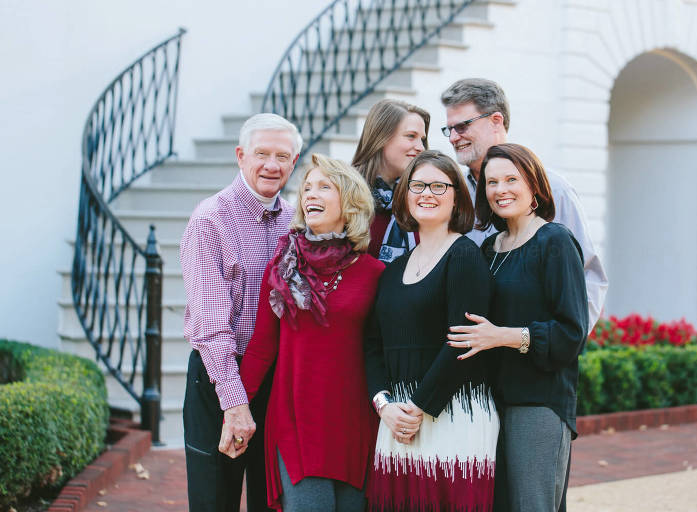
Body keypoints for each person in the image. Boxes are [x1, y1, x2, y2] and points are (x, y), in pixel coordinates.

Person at [238, 154, 385, 512]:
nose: (310, 195)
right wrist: (235, 407)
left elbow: (379, 351)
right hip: (296, 421)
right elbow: (261, 347)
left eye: (324, 187)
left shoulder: (375, 272)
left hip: (355, 425)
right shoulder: (283, 267)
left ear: (349, 201)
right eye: (306, 188)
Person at [446, 143, 588, 512]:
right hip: (491, 401)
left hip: (538, 401)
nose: (500, 189)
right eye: (492, 182)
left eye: (512, 179)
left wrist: (504, 336)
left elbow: (571, 334)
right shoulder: (490, 248)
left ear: (534, 186)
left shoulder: (555, 242)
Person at [180, 113, 301, 512]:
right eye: (262, 154)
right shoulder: (210, 220)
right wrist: (234, 403)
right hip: (219, 381)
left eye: (282, 156)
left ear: (294, 161)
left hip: (276, 383)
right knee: (215, 502)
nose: (272, 165)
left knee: (273, 501)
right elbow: (211, 328)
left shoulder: (297, 221)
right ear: (240, 155)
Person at [365, 150, 499, 511]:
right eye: (418, 185)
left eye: (439, 186)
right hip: (397, 418)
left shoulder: (465, 257)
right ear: (404, 196)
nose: (427, 193)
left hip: (453, 412)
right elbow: (372, 345)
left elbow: (463, 342)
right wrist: (384, 406)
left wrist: (419, 407)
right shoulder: (392, 271)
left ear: (457, 196)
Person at [440, 78, 607, 331]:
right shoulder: (452, 193)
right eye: (448, 129)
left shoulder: (553, 188)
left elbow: (588, 279)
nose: (453, 138)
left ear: (496, 121)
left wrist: (560, 348)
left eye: (462, 126)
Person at [351, 98, 429, 263]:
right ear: (381, 138)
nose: (421, 147)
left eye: (422, 139)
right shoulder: (346, 195)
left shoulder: (424, 197)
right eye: (411, 136)